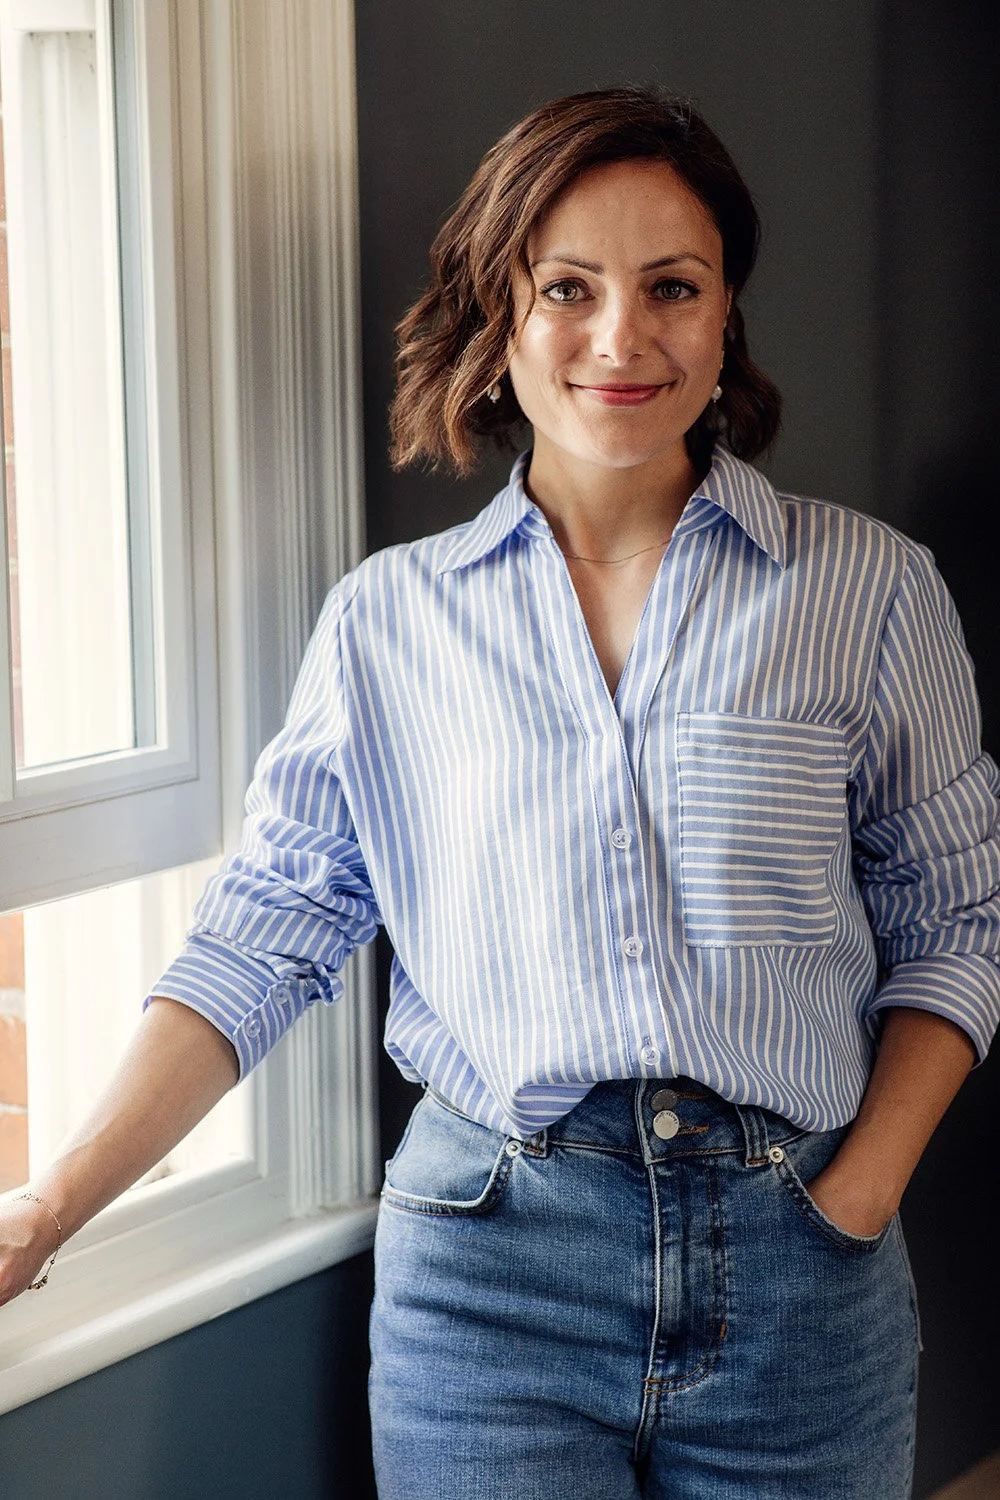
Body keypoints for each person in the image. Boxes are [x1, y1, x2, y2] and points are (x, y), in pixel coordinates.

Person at [2, 85, 998, 1498]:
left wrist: (863, 1192)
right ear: (501, 317)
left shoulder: (870, 590)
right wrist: (45, 1213)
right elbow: (260, 943)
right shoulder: (386, 628)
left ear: (726, 320)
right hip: (491, 1280)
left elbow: (959, 918)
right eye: (567, 289)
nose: (622, 338)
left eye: (674, 288)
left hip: (804, 1273)